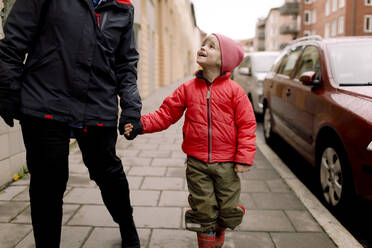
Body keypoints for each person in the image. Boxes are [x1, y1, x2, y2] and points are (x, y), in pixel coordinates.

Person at [0, 0, 143, 247]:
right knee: (48, 182)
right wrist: (8, 93)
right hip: (45, 101)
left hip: (97, 104)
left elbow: (125, 66)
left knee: (109, 173)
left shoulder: (122, 7)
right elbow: (13, 45)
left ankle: (126, 224)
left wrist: (131, 108)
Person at [125, 33, 256, 248]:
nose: (203, 47)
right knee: (203, 208)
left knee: (228, 208)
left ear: (225, 60)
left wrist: (244, 157)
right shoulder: (187, 89)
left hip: (228, 164)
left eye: (212, 46)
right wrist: (141, 125)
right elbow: (165, 114)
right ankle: (206, 239)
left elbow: (248, 126)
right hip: (197, 163)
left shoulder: (235, 92)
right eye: (203, 44)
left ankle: (221, 225)